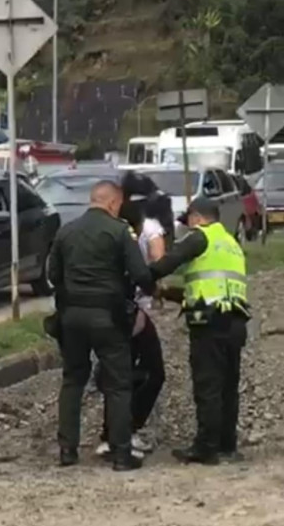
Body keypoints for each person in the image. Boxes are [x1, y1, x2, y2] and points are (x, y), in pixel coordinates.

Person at [48, 180, 155, 471]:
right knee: (118, 383)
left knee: (72, 379)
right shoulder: (119, 231)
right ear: (112, 203)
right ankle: (121, 454)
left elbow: (52, 274)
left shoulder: (66, 231)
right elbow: (140, 274)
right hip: (108, 317)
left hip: (71, 317)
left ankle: (67, 450)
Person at [148, 197, 249, 466]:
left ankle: (206, 448)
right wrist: (167, 292)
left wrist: (144, 276)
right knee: (228, 386)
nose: (187, 228)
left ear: (196, 217)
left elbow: (168, 262)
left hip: (210, 323)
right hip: (235, 320)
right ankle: (228, 445)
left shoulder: (199, 238)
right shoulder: (231, 244)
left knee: (208, 385)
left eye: (189, 222)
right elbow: (205, 288)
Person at [95, 193, 167, 458]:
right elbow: (143, 274)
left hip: (102, 314)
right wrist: (158, 289)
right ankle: (121, 434)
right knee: (150, 372)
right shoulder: (126, 239)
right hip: (128, 315)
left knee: (115, 373)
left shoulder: (100, 237)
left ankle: (112, 434)